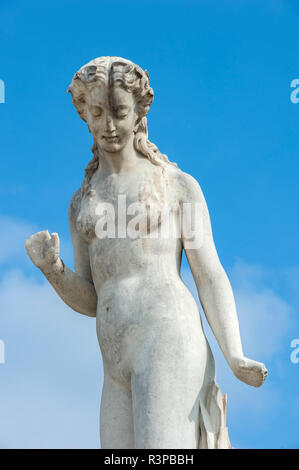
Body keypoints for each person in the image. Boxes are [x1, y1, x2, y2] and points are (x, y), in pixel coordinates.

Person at [25, 57, 267, 449]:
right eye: (98, 112)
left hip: (167, 339)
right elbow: (92, 296)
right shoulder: (81, 203)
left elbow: (209, 274)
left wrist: (234, 354)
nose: (108, 126)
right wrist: (53, 270)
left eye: (119, 112)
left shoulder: (176, 185)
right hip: (114, 359)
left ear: (139, 112)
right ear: (84, 112)